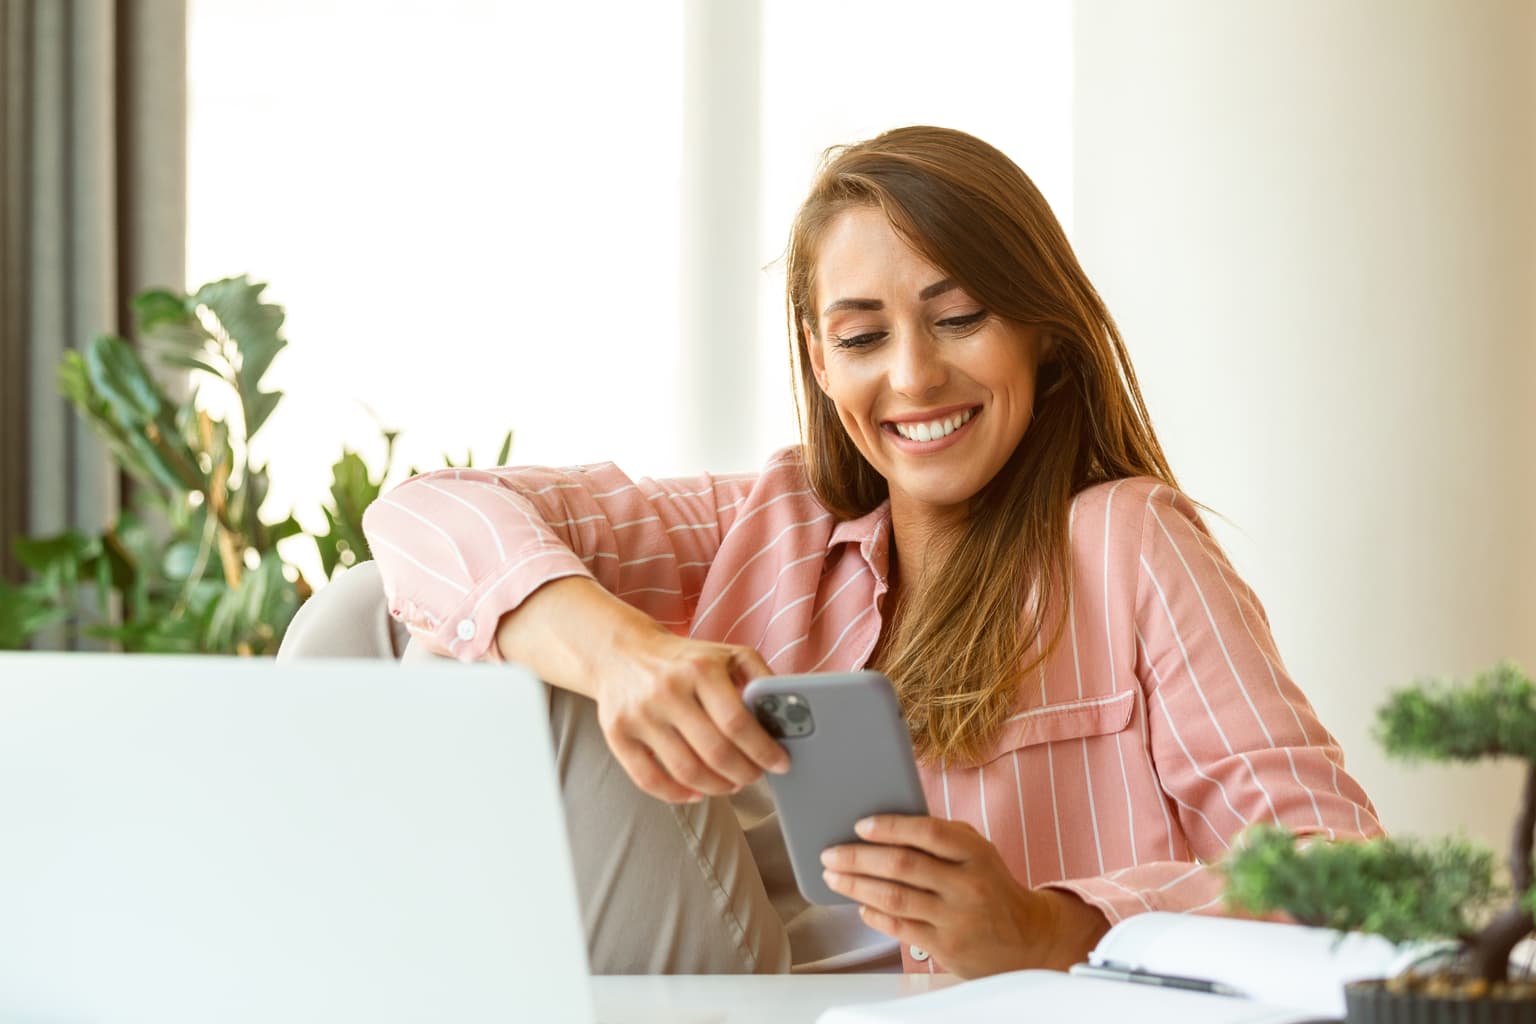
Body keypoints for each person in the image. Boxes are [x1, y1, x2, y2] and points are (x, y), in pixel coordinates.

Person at [362, 125, 1381, 978]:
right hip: (717, 975)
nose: (914, 375)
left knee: (495, 664)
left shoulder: (1126, 543)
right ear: (818, 355)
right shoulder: (772, 519)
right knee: (366, 611)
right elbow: (419, 516)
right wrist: (625, 653)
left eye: (960, 318)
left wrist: (1053, 925)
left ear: (1043, 331)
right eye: (861, 338)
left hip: (926, 1004)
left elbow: (1347, 876)